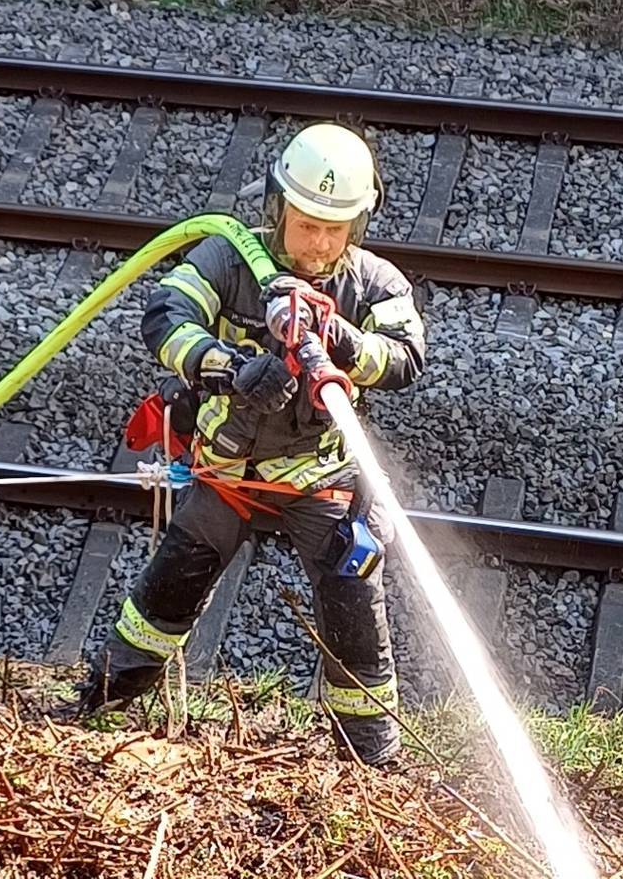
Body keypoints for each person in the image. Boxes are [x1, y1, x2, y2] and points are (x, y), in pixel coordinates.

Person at [72, 122, 428, 765]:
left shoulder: (375, 283)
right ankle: (98, 706)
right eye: (306, 224)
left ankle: (372, 758)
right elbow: (165, 317)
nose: (319, 244)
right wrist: (225, 366)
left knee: (353, 607)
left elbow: (405, 357)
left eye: (335, 229)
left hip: (320, 477)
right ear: (277, 207)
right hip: (229, 470)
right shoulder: (229, 258)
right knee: (168, 590)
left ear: (359, 224)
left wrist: (344, 342)